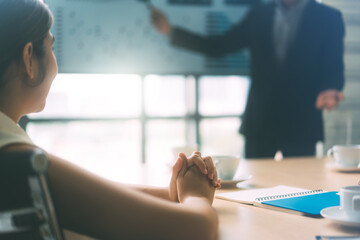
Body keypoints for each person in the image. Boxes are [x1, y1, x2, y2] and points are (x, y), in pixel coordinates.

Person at [0, 1, 221, 239]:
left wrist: (172, 193)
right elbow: (195, 228)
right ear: (29, 60)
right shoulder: (18, 158)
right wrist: (196, 196)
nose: (56, 65)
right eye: (52, 48)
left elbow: (83, 198)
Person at [150, 0, 345, 159]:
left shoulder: (329, 18)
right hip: (260, 123)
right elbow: (217, 46)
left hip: (301, 123)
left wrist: (331, 89)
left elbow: (334, 65)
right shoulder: (258, 14)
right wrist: (171, 32)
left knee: (301, 194)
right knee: (253, 193)